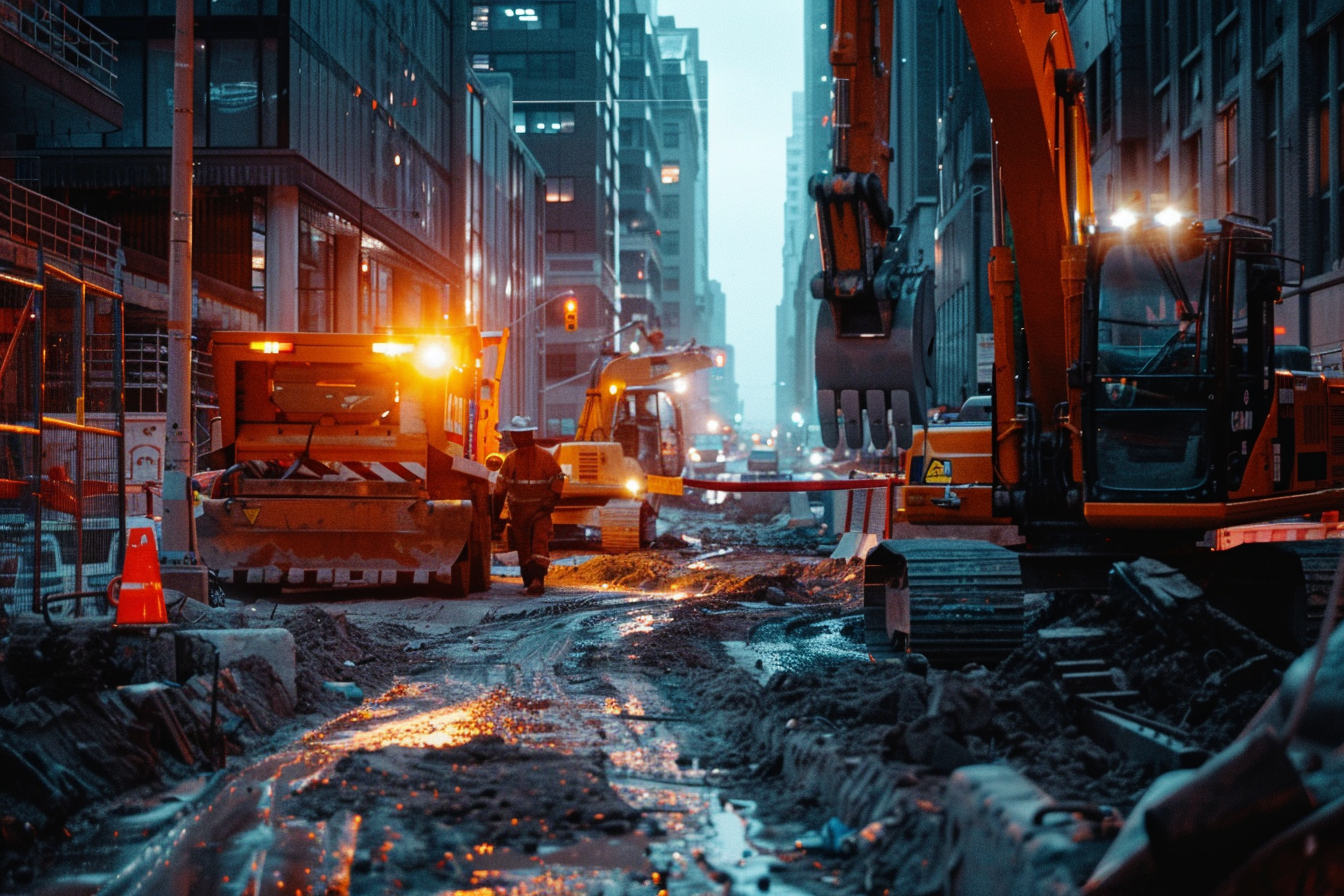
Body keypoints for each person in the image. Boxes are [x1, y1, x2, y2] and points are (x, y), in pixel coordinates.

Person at [494, 416, 565, 595]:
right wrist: (496, 517)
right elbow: (500, 491)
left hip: (540, 511)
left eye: (521, 434)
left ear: (529, 435)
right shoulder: (510, 461)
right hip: (518, 513)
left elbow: (558, 480)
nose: (518, 438)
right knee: (523, 546)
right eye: (515, 435)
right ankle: (528, 578)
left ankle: (537, 579)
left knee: (539, 543)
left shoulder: (544, 458)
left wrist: (549, 502)